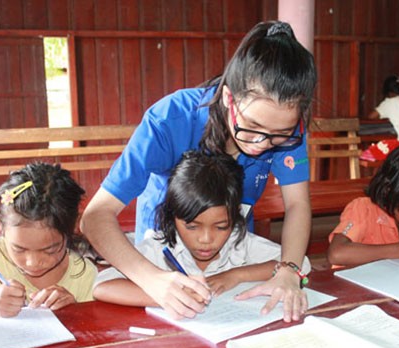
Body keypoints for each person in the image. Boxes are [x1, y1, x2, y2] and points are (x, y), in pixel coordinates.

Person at [80, 20, 317, 322]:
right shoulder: (170, 120)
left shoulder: (289, 129)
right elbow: (95, 216)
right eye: (253, 127)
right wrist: (152, 281)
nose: (261, 144)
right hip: (164, 250)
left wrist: (288, 271)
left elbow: (297, 204)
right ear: (229, 98)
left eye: (278, 135)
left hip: (231, 246)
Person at [92, 151, 311, 307]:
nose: (206, 239)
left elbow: (302, 265)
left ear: (236, 218)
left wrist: (236, 275)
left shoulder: (239, 242)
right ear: (173, 218)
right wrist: (165, 295)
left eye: (221, 226)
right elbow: (102, 286)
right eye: (192, 226)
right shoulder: (159, 247)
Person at [0, 162, 97, 317]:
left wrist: (74, 311)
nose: (32, 262)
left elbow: (96, 328)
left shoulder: (83, 274)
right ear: (1, 226)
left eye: (50, 250)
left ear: (71, 229)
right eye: (19, 249)